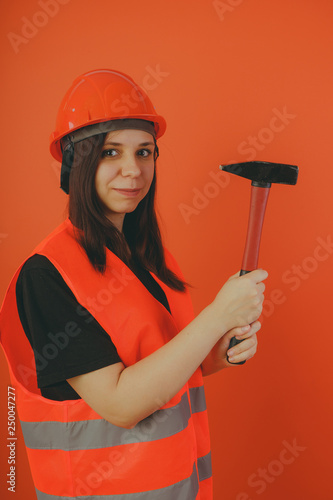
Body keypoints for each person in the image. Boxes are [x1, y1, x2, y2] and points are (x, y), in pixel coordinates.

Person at [0, 69, 268, 500]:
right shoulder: (47, 274)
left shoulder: (146, 259)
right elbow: (120, 404)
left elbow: (163, 367)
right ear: (75, 163)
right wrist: (219, 314)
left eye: (145, 152)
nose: (133, 170)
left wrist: (217, 351)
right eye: (111, 153)